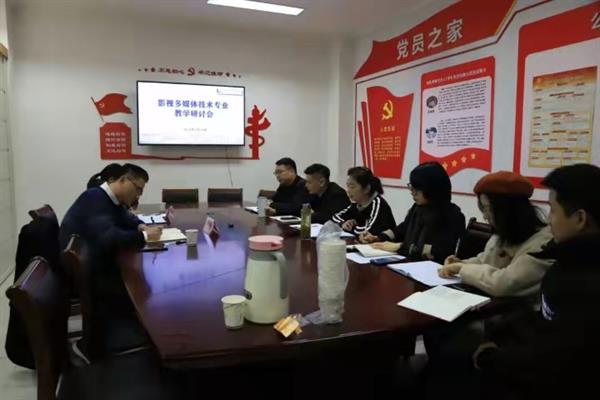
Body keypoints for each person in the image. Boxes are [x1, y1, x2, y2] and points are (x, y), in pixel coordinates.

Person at [470, 164, 600, 399]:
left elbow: (554, 360)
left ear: (580, 219)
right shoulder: (566, 260)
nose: (549, 219)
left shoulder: (580, 280)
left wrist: (490, 357)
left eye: (553, 210)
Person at [59, 163, 161, 358]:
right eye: (138, 189)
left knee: (144, 285)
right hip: (91, 276)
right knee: (146, 291)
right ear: (123, 180)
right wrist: (146, 237)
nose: (138, 196)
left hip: (94, 267)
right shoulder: (94, 198)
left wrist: (141, 227)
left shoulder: (107, 199)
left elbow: (125, 217)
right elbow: (110, 238)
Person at [438, 171, 552, 297]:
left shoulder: (543, 243)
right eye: (483, 209)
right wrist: (462, 263)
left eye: (488, 209)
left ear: (509, 210)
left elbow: (504, 284)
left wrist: (462, 268)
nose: (485, 216)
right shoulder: (504, 233)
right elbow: (485, 260)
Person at [361, 162, 465, 263]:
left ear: (432, 189)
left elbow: (439, 252)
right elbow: (402, 229)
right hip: (409, 265)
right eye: (411, 187)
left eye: (417, 188)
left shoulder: (451, 215)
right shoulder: (418, 207)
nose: (412, 192)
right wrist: (378, 237)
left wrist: (400, 247)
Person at [331, 167, 396, 238]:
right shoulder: (357, 204)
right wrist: (343, 223)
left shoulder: (378, 204)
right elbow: (335, 217)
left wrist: (351, 227)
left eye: (352, 187)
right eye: (348, 186)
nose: (348, 190)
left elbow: (368, 231)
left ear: (366, 189)